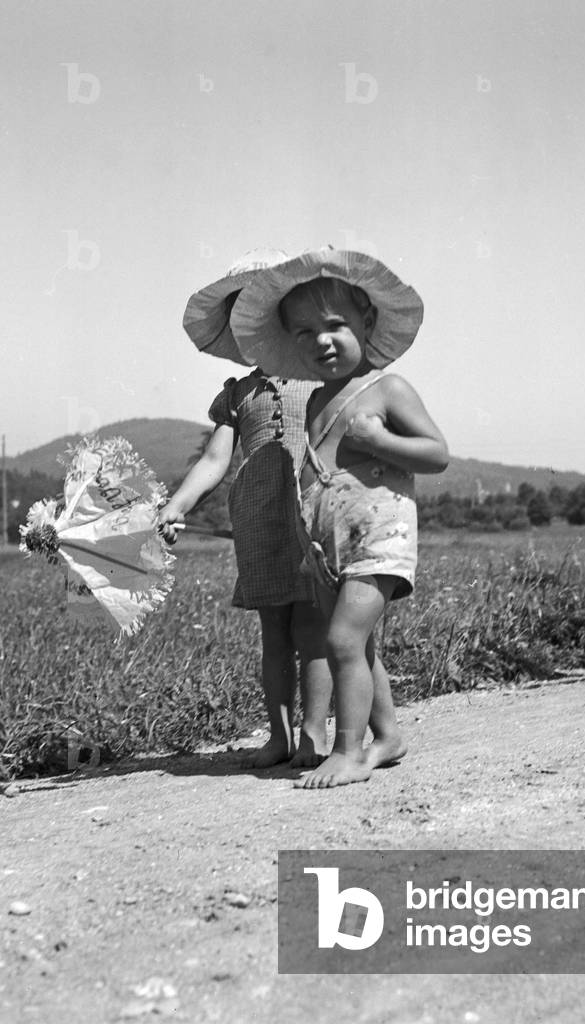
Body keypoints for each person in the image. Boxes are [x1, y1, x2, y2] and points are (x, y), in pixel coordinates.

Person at [231, 249, 449, 788]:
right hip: (330, 546)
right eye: (303, 333)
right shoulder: (316, 400)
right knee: (359, 645)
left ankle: (349, 752)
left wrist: (381, 440)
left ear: (367, 323)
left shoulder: (388, 389)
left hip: (379, 539)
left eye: (334, 326)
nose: (321, 341)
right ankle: (388, 734)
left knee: (342, 642)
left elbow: (437, 453)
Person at [158, 251, 331, 769]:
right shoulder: (238, 394)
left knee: (314, 630)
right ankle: (277, 738)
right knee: (274, 632)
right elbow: (215, 459)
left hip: (312, 518)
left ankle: (313, 735)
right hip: (258, 523)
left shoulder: (320, 379)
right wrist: (177, 504)